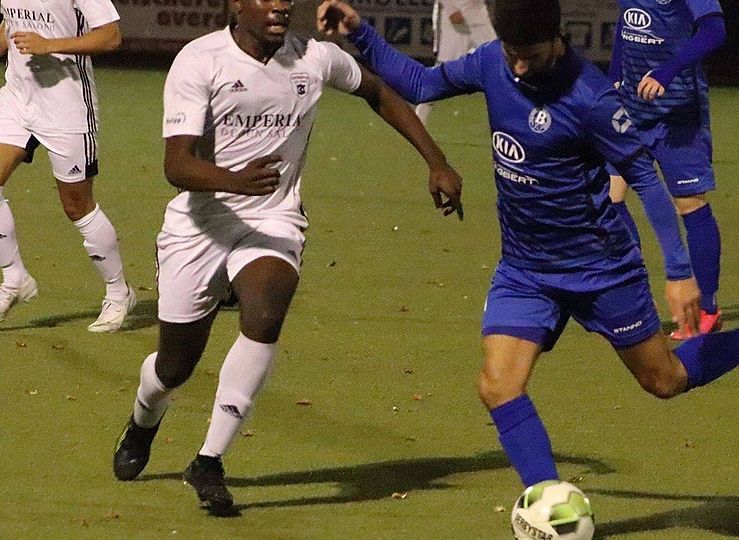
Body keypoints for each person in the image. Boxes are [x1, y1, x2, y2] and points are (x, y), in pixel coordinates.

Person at [318, 0, 739, 493]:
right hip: (526, 269)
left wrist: (679, 271)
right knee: (498, 385)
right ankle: (550, 500)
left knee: (664, 380)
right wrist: (360, 32)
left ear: (557, 39)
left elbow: (644, 178)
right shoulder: (493, 62)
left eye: (530, 56)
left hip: (601, 269)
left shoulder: (591, 98)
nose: (518, 67)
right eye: (512, 53)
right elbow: (421, 83)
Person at [111, 0, 462, 515]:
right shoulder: (200, 61)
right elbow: (176, 165)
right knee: (174, 366)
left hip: (274, 218)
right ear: (237, 5)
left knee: (266, 310)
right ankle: (145, 416)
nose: (280, 4)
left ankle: (209, 459)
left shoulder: (315, 58)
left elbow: (379, 92)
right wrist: (233, 181)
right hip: (199, 224)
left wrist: (437, 161)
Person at [0, 0, 136, 331]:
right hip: (17, 98)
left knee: (77, 206)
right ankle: (14, 276)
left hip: (67, 106)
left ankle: (119, 292)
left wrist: (49, 45)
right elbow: (9, 29)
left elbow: (110, 36)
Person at [607, 0, 727, 339]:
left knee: (690, 204)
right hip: (631, 108)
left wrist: (668, 70)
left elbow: (714, 30)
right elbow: (627, 25)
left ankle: (707, 310)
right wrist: (613, 77)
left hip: (678, 112)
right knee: (608, 199)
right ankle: (636, 296)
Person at [414, 0, 496, 125]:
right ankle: (418, 121)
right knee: (442, 73)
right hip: (455, 15)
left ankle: (513, 121)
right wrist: (451, 8)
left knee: (499, 62)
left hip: (478, 13)